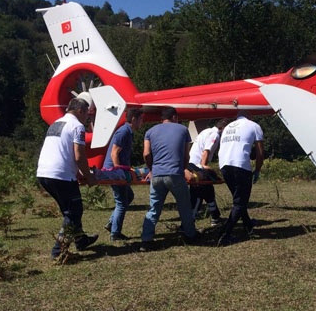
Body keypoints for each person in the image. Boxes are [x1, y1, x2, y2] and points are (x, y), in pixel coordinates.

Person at [36, 97, 98, 260]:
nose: (87, 119)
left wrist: (76, 173)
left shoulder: (56, 123)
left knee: (69, 208)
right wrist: (88, 176)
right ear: (80, 111)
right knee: (74, 211)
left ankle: (81, 240)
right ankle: (58, 251)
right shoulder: (77, 126)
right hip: (60, 175)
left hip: (44, 172)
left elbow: (62, 151)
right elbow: (79, 155)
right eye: (87, 114)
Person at [140, 107, 197, 251]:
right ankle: (190, 235)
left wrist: (152, 168)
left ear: (161, 119)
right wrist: (182, 167)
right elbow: (186, 155)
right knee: (184, 206)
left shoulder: (150, 131)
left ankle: (146, 239)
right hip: (175, 174)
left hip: (157, 175)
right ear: (175, 117)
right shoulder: (183, 130)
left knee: (154, 208)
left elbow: (146, 153)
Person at [217, 110, 264, 246]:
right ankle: (225, 234)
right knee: (240, 202)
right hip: (241, 165)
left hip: (224, 165)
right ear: (250, 115)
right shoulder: (254, 125)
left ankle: (248, 226)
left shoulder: (227, 128)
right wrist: (257, 170)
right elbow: (260, 152)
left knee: (238, 199)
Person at [103, 108, 143, 241]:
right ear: (133, 119)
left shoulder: (128, 132)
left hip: (118, 170)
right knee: (121, 202)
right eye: (140, 119)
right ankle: (115, 233)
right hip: (114, 172)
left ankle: (111, 223)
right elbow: (114, 153)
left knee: (128, 196)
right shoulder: (123, 132)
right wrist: (119, 171)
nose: (141, 123)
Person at [188, 118, 229, 226]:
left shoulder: (206, 131)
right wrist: (204, 167)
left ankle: (215, 216)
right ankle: (190, 220)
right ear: (222, 128)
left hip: (192, 163)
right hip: (197, 165)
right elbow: (206, 151)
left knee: (208, 190)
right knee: (198, 192)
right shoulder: (215, 135)